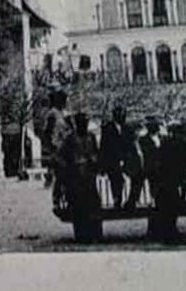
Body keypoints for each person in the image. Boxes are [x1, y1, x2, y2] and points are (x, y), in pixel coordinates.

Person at [63, 111, 102, 243]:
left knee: (94, 205)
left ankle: (95, 234)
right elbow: (63, 156)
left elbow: (96, 152)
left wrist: (94, 160)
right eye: (81, 123)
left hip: (89, 177)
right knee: (79, 207)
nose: (83, 125)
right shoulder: (70, 139)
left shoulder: (91, 137)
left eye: (85, 123)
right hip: (76, 179)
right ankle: (81, 235)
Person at [43, 90, 72, 204]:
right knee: (60, 175)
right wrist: (51, 149)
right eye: (64, 100)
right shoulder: (52, 114)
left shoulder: (64, 113)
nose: (65, 103)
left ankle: (68, 197)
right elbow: (47, 133)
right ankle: (57, 198)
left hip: (67, 148)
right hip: (57, 148)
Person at [99, 104, 129, 209]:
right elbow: (104, 147)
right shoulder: (108, 128)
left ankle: (130, 200)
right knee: (116, 178)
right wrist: (102, 165)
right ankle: (117, 199)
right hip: (112, 160)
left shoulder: (126, 128)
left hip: (125, 158)